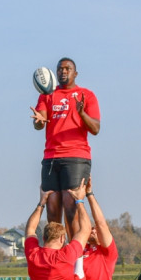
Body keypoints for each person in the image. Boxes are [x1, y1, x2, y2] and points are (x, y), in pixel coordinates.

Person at [30, 57, 100, 237]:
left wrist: (81, 113)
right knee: (52, 206)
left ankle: (75, 257)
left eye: (68, 69)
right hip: (51, 158)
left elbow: (95, 128)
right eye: (60, 69)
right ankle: (55, 254)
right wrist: (38, 121)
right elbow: (41, 122)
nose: (63, 71)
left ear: (75, 73)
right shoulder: (47, 95)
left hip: (76, 157)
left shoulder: (87, 95)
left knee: (71, 204)